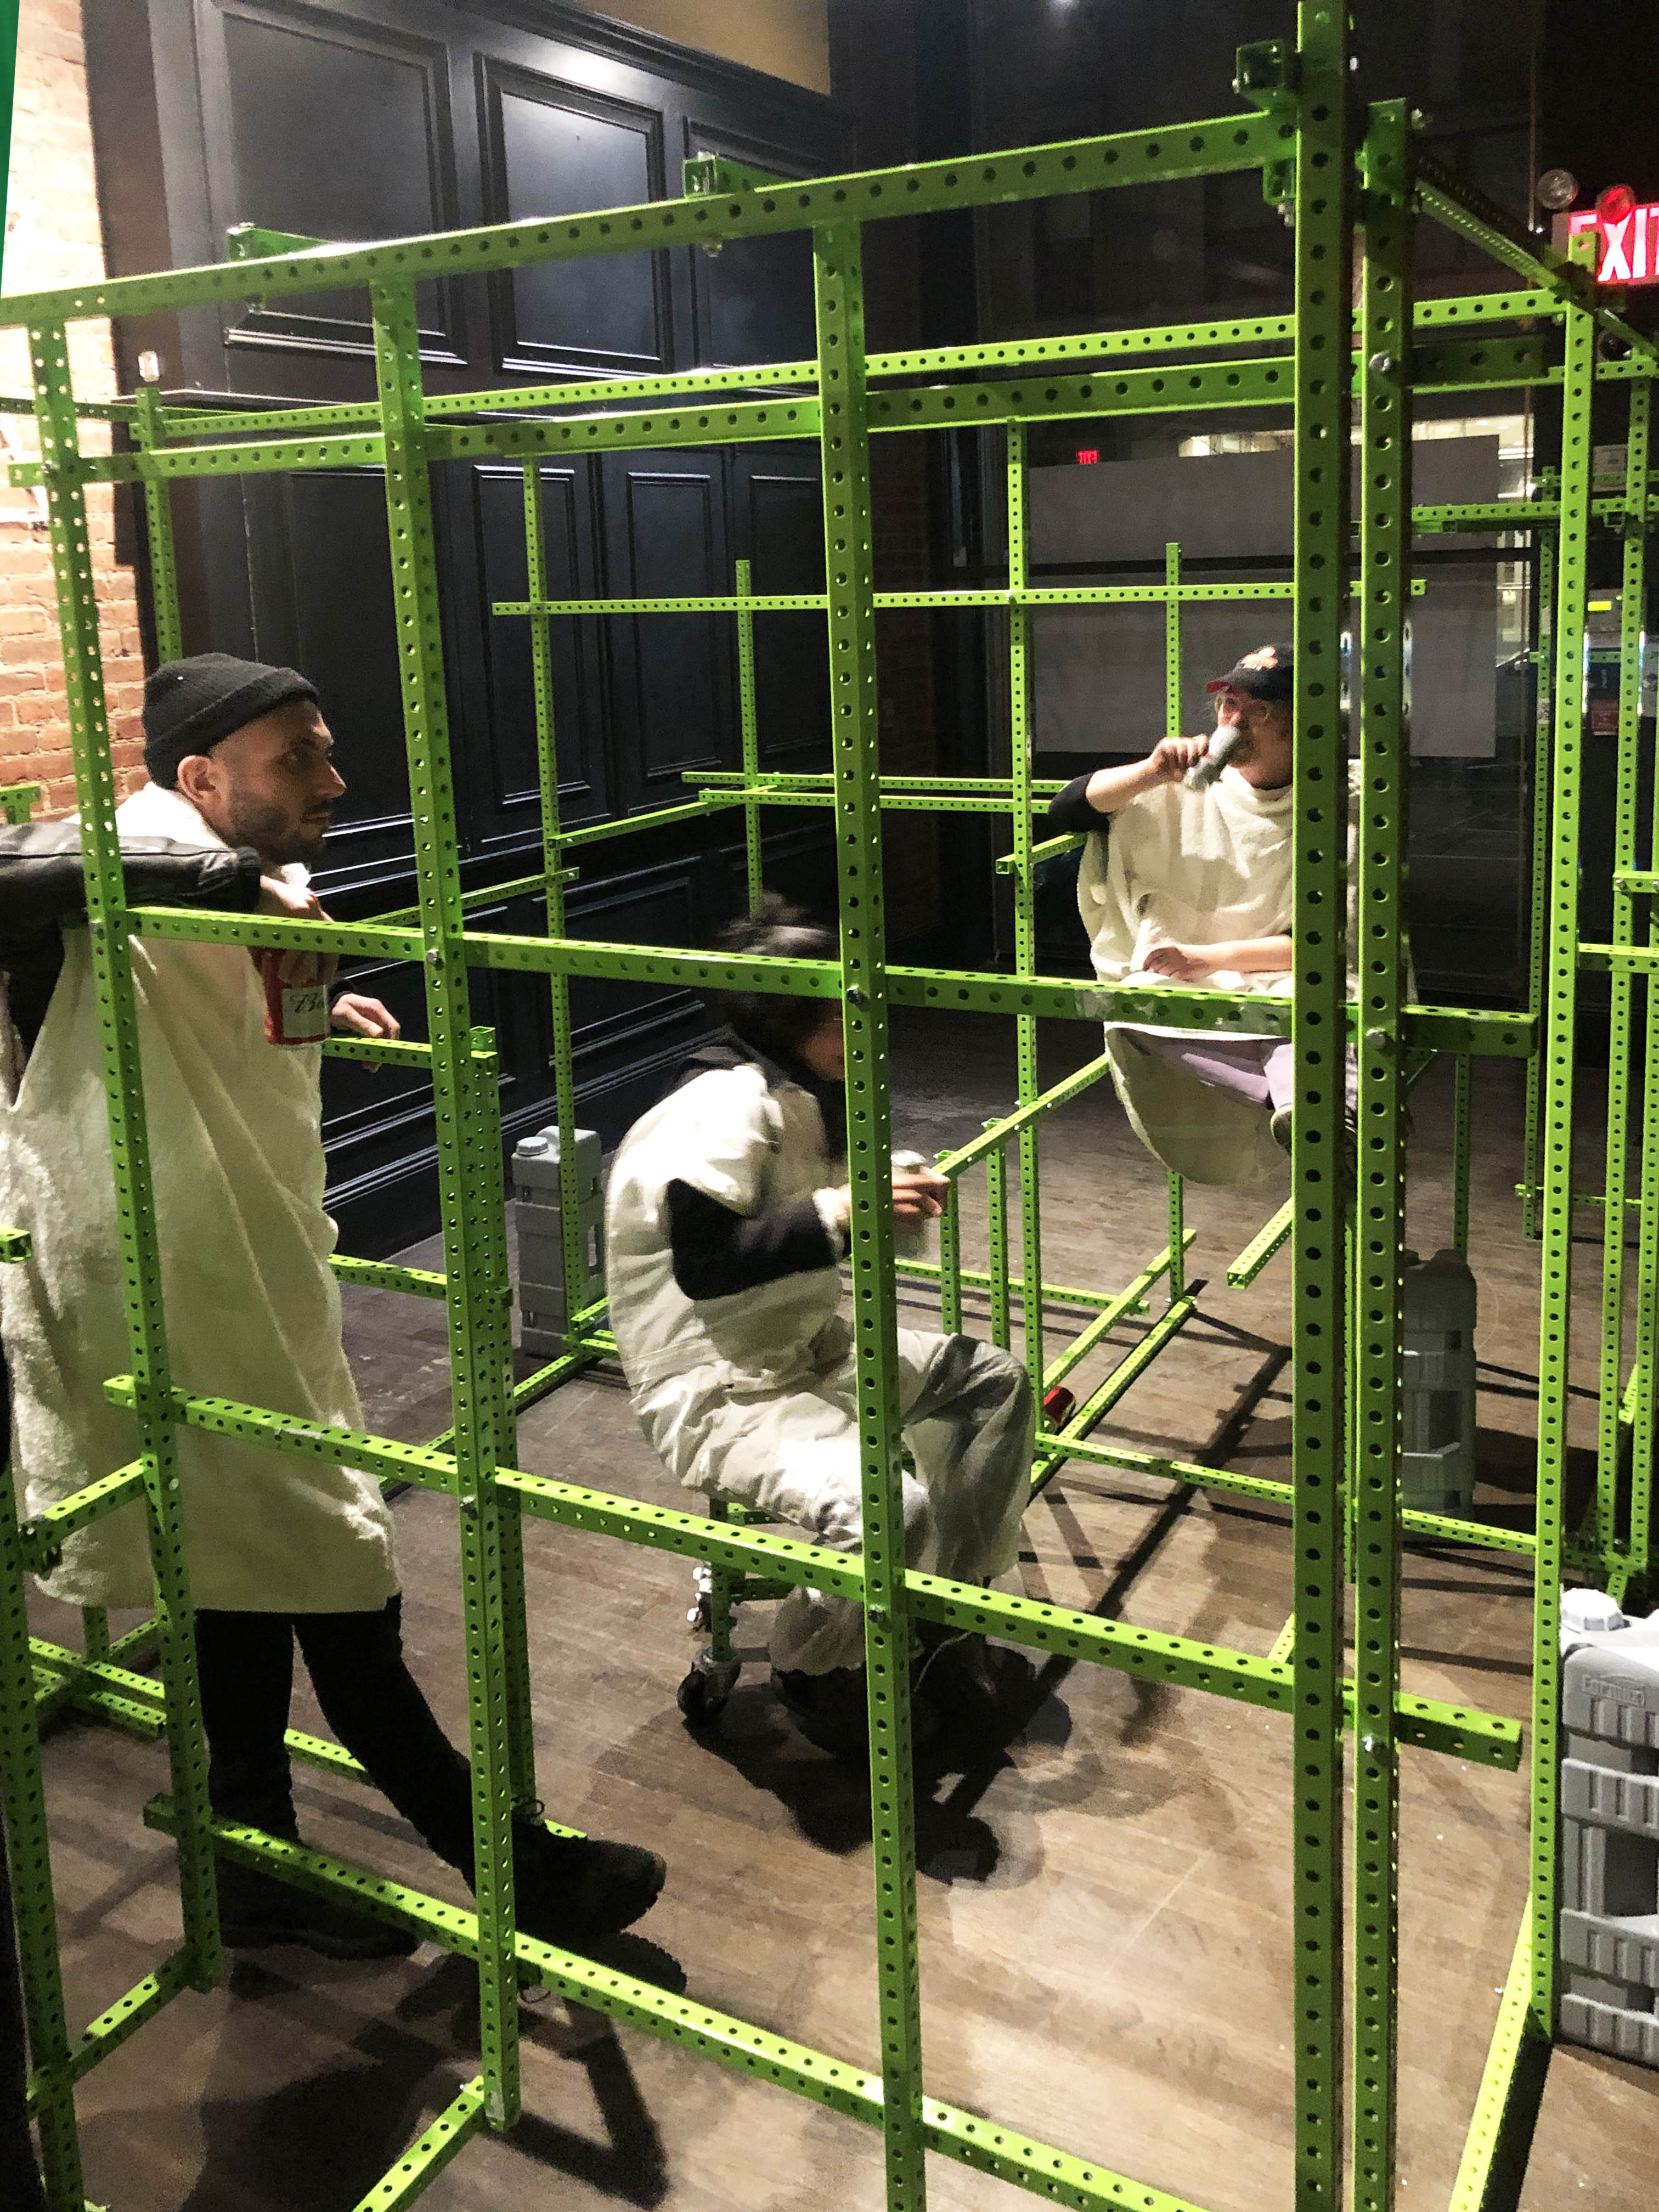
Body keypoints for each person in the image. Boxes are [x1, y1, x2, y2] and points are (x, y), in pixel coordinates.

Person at [0, 653, 664, 1959]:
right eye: (297, 756)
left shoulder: (258, 887)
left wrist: (311, 1008)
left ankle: (250, 1854)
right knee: (338, 1568)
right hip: (168, 1307)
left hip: (257, 1282)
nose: (335, 779)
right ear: (201, 781)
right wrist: (216, 887)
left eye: (325, 749)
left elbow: (227, 1023)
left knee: (237, 1574)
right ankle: (513, 1868)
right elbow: (28, 870)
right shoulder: (125, 878)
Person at [605, 895, 1034, 1755]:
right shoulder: (722, 1102)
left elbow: (811, 1216)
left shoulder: (802, 1090)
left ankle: (939, 1614)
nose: (860, 1021)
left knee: (992, 1382)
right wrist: (847, 1208)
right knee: (891, 1510)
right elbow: (708, 1259)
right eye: (839, 1009)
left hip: (800, 1347)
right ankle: (811, 1664)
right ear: (789, 1015)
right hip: (718, 1387)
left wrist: (878, 1196)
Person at [1046, 642, 1358, 1186]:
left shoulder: (1337, 802)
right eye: (1228, 704)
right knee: (1134, 1010)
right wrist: (1151, 771)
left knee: (1322, 1008)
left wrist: (1208, 957)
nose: (1233, 722)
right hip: (1190, 981)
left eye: (1259, 711)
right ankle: (1300, 1104)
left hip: (1281, 973)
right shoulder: (1181, 786)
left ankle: (1323, 1113)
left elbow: (1327, 944)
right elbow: (1067, 808)